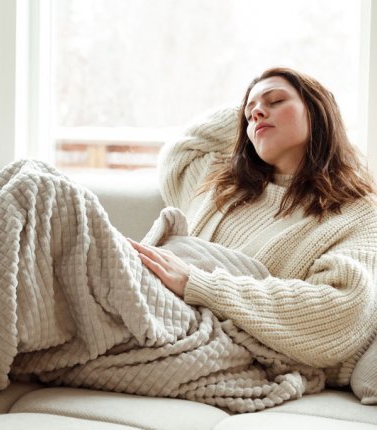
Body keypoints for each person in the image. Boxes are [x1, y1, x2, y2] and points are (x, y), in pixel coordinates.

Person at [129, 66, 377, 386]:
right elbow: (183, 150)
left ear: (318, 113)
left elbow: (342, 311)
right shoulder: (219, 185)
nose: (257, 113)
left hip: (198, 336)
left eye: (276, 100)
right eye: (248, 114)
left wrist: (199, 284)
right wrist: (251, 104)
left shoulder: (356, 212)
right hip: (146, 301)